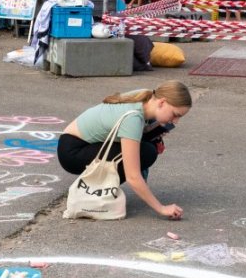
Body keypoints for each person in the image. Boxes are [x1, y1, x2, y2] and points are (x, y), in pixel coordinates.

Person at [56, 81, 192, 221]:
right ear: (162, 102)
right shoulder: (133, 118)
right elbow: (132, 175)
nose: (176, 121)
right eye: (175, 114)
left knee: (147, 148)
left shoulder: (147, 95)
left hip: (75, 142)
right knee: (146, 153)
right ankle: (94, 194)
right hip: (72, 152)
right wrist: (161, 208)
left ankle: (97, 189)